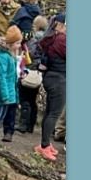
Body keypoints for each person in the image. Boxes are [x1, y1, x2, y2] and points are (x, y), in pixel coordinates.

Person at [34, 14, 65, 161]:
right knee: (54, 113)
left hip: (50, 77)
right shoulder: (62, 40)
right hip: (59, 79)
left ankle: (45, 143)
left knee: (49, 111)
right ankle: (44, 146)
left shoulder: (51, 37)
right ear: (60, 25)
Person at [0, 27, 24, 144]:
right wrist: (5, 95)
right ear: (11, 43)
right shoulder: (2, 57)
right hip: (2, 94)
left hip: (9, 93)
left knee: (1, 117)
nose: (19, 46)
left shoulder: (9, 55)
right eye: (17, 43)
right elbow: (1, 77)